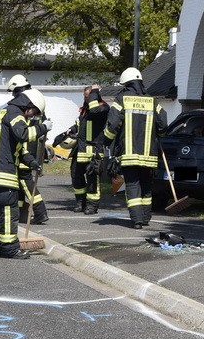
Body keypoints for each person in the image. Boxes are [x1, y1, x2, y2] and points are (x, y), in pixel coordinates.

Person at [0, 88, 46, 259]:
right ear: (28, 105)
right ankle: (9, 249)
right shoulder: (16, 113)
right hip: (4, 173)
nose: (31, 117)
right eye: (33, 113)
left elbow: (16, 147)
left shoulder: (3, 112)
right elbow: (22, 134)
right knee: (9, 211)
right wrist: (43, 128)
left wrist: (32, 162)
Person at [100, 67, 168, 229]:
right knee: (146, 185)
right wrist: (160, 134)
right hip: (149, 154)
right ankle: (145, 218)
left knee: (132, 185)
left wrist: (105, 141)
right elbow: (163, 124)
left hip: (129, 153)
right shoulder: (152, 100)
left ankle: (137, 220)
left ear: (126, 83)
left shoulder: (122, 99)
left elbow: (113, 125)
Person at [71, 84, 107, 214]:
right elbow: (80, 125)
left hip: (93, 151)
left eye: (88, 96)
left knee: (93, 179)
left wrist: (95, 92)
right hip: (80, 150)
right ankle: (81, 202)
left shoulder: (102, 108)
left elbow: (94, 112)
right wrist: (71, 130)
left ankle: (92, 205)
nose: (86, 98)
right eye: (85, 96)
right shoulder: (85, 110)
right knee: (76, 175)